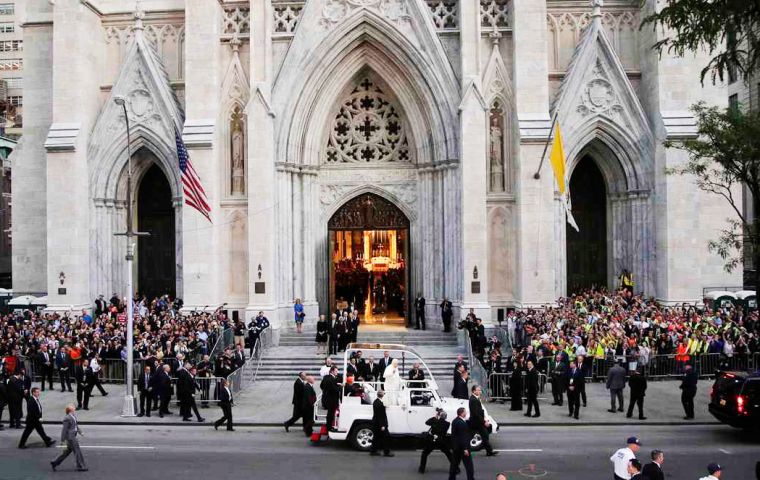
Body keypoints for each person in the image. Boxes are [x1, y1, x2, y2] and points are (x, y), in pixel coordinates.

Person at [51, 405, 87, 472]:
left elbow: (76, 425)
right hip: (71, 438)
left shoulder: (73, 416)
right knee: (77, 451)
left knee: (66, 452)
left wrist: (80, 432)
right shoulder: (67, 418)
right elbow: (64, 430)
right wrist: (62, 440)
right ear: (70, 410)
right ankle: (80, 466)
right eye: (73, 408)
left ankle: (55, 462)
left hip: (73, 436)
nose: (74, 408)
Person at [419, 408, 453, 473]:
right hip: (441, 442)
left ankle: (422, 469)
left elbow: (427, 422)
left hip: (432, 441)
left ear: (439, 415)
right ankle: (456, 468)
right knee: (449, 454)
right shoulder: (447, 424)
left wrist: (435, 417)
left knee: (424, 454)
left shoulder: (434, 421)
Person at [468, 385, 496, 456]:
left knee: (484, 436)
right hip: (477, 422)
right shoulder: (473, 400)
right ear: (474, 391)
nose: (480, 391)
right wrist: (484, 422)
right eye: (478, 390)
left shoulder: (475, 398)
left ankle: (489, 451)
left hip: (478, 421)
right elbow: (476, 413)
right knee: (484, 435)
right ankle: (489, 451)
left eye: (480, 390)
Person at [449, 407, 474, 480]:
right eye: (465, 412)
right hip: (463, 448)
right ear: (462, 413)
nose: (466, 413)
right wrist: (465, 449)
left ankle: (451, 478)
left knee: (454, 465)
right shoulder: (462, 424)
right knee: (469, 466)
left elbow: (455, 436)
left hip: (456, 448)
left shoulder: (455, 421)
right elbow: (463, 437)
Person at [369, 390, 393, 457]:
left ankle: (373, 451)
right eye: (383, 393)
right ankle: (386, 452)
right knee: (386, 438)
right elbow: (381, 416)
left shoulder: (376, 401)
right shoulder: (380, 404)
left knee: (376, 438)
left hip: (376, 423)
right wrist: (382, 425)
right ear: (382, 395)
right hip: (380, 424)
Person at [320, 366, 340, 431]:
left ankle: (328, 426)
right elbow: (334, 389)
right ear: (332, 371)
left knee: (330, 414)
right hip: (332, 399)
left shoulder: (326, 377)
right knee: (330, 414)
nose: (337, 372)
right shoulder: (331, 379)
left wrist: (325, 391)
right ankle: (329, 427)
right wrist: (341, 387)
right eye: (336, 371)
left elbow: (321, 386)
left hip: (327, 398)